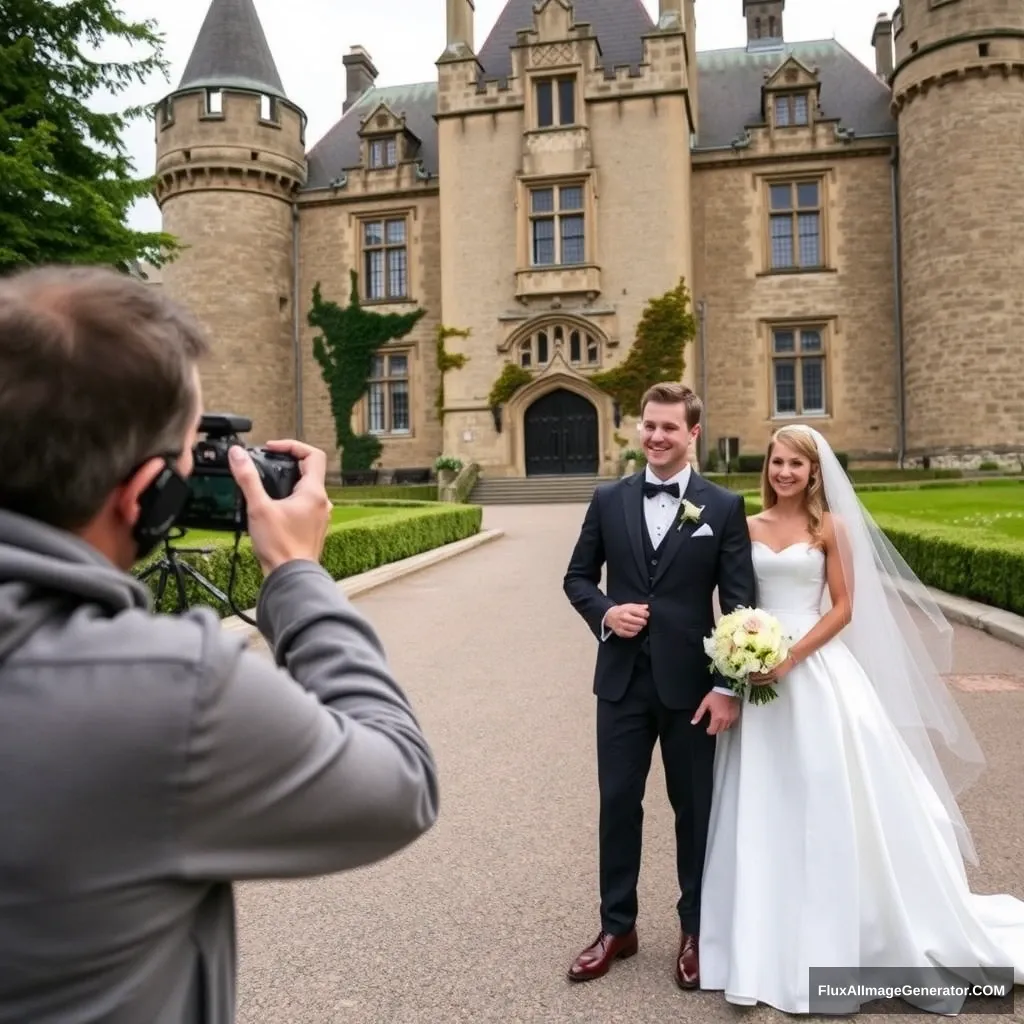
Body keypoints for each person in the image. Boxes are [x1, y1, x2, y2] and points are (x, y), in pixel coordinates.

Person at [0, 265, 440, 1024]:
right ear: (146, 498)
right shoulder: (164, 689)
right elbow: (399, 784)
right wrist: (298, 572)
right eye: (187, 454)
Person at [698, 423, 1024, 1014]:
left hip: (814, 671)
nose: (785, 473)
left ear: (814, 472)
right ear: (765, 468)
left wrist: (790, 656)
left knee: (828, 792)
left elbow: (845, 607)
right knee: (762, 797)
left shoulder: (831, 528)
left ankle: (843, 935)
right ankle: (759, 933)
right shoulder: (744, 526)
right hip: (757, 671)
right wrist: (740, 646)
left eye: (796, 464)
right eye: (777, 463)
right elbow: (736, 597)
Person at [562, 382, 756, 989]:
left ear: (692, 433)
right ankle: (617, 926)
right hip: (620, 683)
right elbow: (577, 577)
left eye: (669, 427)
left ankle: (695, 929)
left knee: (692, 811)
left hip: (692, 689)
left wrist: (728, 687)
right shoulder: (607, 498)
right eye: (649, 425)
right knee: (618, 804)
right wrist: (604, 613)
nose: (656, 436)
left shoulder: (722, 507)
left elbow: (740, 602)